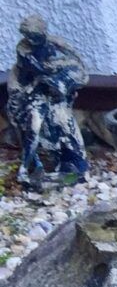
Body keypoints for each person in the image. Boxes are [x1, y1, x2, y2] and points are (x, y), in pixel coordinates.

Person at [7, 15, 89, 189]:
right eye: (28, 36)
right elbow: (37, 72)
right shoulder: (24, 50)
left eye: (34, 36)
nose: (31, 40)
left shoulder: (55, 44)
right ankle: (29, 168)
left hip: (54, 96)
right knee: (34, 129)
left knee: (66, 125)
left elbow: (77, 63)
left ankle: (74, 164)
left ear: (43, 32)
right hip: (33, 95)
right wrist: (53, 74)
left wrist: (68, 71)